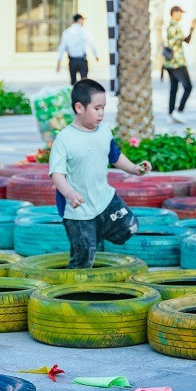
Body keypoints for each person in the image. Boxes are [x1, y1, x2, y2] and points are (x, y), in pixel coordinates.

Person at [50, 79, 151, 268]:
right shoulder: (64, 139)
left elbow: (115, 156)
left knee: (130, 227)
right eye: (97, 108)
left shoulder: (104, 131)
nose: (102, 113)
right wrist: (70, 194)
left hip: (105, 199)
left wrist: (134, 169)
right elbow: (56, 174)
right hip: (78, 210)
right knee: (83, 260)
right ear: (79, 108)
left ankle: (97, 231)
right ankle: (87, 246)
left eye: (103, 107)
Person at [163, 6, 196, 124]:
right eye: (180, 13)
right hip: (177, 62)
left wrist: (192, 28)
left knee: (174, 88)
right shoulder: (174, 27)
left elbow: (185, 41)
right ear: (174, 13)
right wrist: (191, 28)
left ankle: (171, 113)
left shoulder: (171, 26)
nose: (181, 15)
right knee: (188, 87)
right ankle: (179, 111)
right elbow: (184, 41)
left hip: (170, 63)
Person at [56, 14, 101, 84]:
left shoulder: (67, 32)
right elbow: (92, 43)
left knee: (73, 82)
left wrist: (59, 62)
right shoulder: (84, 31)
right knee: (84, 81)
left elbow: (62, 47)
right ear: (80, 20)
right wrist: (96, 55)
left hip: (72, 60)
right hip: (82, 59)